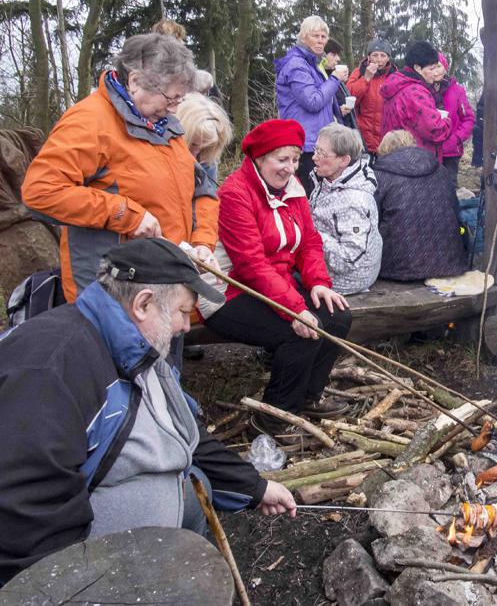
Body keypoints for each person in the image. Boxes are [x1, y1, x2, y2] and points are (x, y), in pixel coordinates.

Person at [0, 238, 297, 585]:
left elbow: (186, 434)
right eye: (183, 312)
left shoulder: (136, 348)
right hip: (97, 571)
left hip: (162, 524)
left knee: (193, 493)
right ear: (144, 304)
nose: (187, 326)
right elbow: (26, 515)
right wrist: (78, 587)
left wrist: (256, 488)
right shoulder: (49, 369)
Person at [21, 33, 218, 303]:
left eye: (179, 99)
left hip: (165, 279)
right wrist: (126, 214)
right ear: (135, 81)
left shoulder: (165, 125)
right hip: (114, 289)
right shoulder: (90, 121)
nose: (174, 108)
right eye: (170, 98)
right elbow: (40, 192)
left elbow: (202, 188)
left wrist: (202, 244)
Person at [204, 120, 352, 439]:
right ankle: (274, 417)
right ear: (259, 158)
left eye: (296, 159)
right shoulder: (235, 193)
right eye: (281, 159)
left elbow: (309, 241)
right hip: (229, 290)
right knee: (300, 333)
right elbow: (251, 265)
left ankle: (307, 398)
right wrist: (296, 309)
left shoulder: (293, 189)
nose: (290, 167)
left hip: (274, 283)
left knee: (338, 316)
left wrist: (318, 283)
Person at [372, 130, 466, 281]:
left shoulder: (379, 175)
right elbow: (455, 210)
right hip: (449, 262)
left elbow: (372, 221)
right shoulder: (440, 169)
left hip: (398, 266)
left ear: (384, 150)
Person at [274, 15, 350, 196]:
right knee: (307, 197)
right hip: (303, 144)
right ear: (303, 37)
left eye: (324, 37)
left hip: (314, 142)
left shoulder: (312, 64)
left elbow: (320, 102)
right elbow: (313, 102)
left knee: (316, 197)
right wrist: (335, 79)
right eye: (316, 36)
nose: (321, 41)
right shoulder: (296, 65)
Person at [309, 122, 381, 295]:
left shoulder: (354, 201)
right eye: (315, 149)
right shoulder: (331, 179)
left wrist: (309, 233)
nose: (314, 157)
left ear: (344, 160)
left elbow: (348, 259)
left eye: (322, 153)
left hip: (348, 279)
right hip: (338, 267)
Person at [380, 40, 451, 161]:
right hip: (416, 162)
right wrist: (446, 121)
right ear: (418, 68)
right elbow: (435, 131)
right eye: (431, 69)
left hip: (393, 157)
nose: (435, 73)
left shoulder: (396, 83)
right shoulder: (415, 92)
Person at [432, 53, 475, 186]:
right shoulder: (421, 89)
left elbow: (468, 118)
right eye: (432, 67)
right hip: (428, 150)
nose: (436, 71)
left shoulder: (457, 90)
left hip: (450, 151)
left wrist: (456, 139)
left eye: (438, 66)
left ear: (445, 67)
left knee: (449, 187)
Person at [347, 39, 396, 156]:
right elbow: (349, 97)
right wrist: (366, 79)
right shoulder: (359, 72)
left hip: (386, 140)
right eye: (375, 55)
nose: (379, 59)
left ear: (388, 58)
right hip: (362, 138)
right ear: (368, 57)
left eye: (383, 55)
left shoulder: (394, 76)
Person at [176, 92, 233, 186]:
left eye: (205, 147)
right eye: (192, 144)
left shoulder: (208, 162)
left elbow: (208, 197)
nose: (196, 154)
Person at [318, 38, 358, 129]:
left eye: (338, 55)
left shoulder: (334, 75)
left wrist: (340, 111)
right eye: (333, 54)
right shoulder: (320, 78)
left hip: (344, 127)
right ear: (322, 55)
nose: (338, 59)